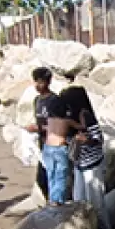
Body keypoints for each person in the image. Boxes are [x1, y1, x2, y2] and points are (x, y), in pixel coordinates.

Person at [57, 85, 109, 229]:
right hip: (80, 164)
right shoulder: (71, 117)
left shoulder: (86, 116)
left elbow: (98, 139)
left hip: (92, 165)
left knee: (96, 201)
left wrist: (85, 140)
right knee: (78, 199)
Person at [26, 66, 72, 205]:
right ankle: (52, 204)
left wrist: (39, 128)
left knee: (58, 177)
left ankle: (58, 205)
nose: (37, 85)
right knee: (44, 178)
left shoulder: (55, 101)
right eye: (36, 82)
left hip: (56, 145)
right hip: (43, 145)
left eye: (40, 82)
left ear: (48, 82)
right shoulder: (37, 100)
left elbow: (61, 125)